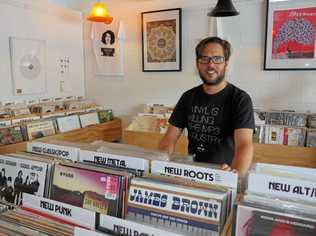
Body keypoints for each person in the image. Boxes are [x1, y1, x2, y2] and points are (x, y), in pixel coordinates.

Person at [159, 36, 255, 177]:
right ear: (197, 63)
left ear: (226, 63)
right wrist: (160, 165)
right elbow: (169, 139)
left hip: (225, 173)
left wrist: (235, 178)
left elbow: (244, 145)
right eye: (204, 59)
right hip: (193, 173)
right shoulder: (188, 97)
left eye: (217, 59)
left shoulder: (240, 99)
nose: (210, 65)